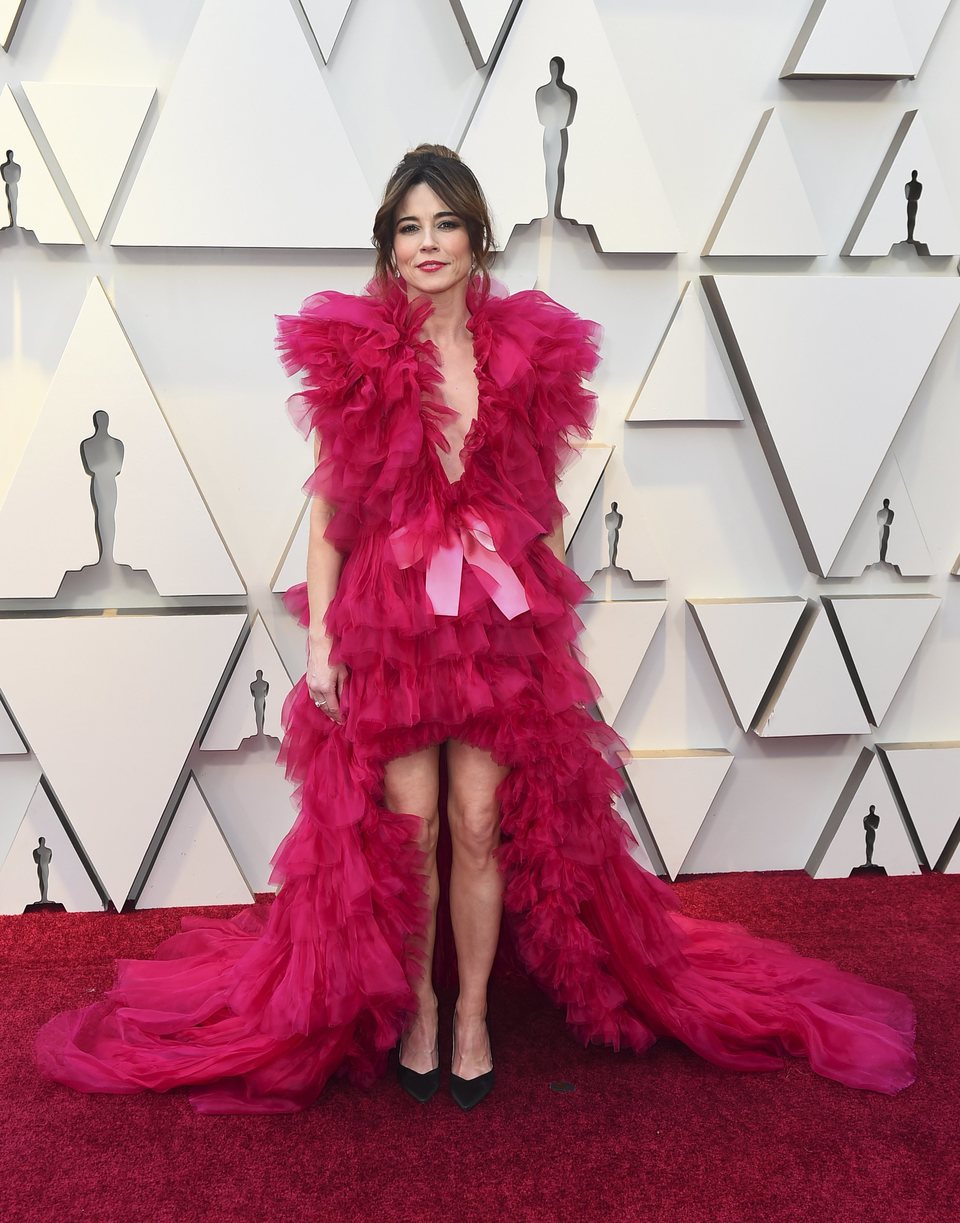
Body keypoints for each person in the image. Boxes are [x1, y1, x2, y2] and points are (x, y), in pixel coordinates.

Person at [33, 145, 917, 1115]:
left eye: (443, 223)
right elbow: (330, 516)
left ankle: (472, 1018)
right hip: (392, 622)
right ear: (389, 244)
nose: (427, 243)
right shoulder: (357, 357)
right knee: (409, 832)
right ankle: (417, 1006)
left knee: (480, 823)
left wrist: (522, 559)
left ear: (473, 236)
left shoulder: (525, 354)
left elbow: (543, 502)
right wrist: (324, 640)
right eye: (408, 227)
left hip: (495, 626)